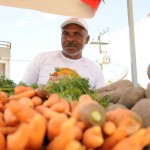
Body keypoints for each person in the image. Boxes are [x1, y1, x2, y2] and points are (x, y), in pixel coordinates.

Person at [22, 18, 105, 89]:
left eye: (77, 34)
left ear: (87, 39)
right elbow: (23, 89)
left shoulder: (95, 71)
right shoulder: (42, 59)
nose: (70, 39)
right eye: (65, 34)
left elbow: (100, 101)